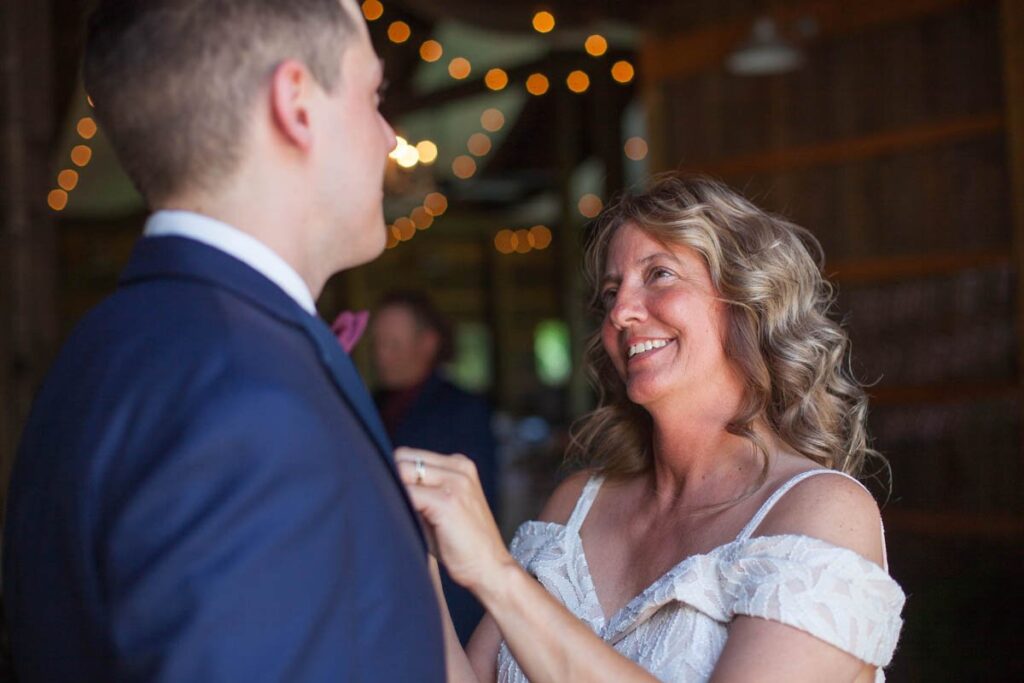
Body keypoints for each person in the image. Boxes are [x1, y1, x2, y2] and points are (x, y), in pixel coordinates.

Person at [2, 1, 445, 681]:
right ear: (296, 103)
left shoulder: (100, 348)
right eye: (372, 95)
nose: (388, 137)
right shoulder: (250, 407)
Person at [395, 174, 906, 682]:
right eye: (612, 291)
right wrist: (419, 556)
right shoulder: (575, 506)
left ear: (746, 300)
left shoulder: (818, 510)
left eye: (659, 274)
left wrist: (496, 575)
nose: (619, 312)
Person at [370, 290, 499, 644]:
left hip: (440, 584)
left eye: (393, 345)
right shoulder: (372, 402)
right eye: (377, 344)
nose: (381, 356)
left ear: (427, 344)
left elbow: (478, 506)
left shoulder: (463, 409)